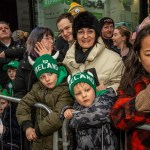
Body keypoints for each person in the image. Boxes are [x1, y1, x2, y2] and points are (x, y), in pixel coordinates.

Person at [16, 54, 73, 150]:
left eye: (50, 73)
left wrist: (37, 131)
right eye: (42, 77)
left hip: (60, 142)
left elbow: (58, 114)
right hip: (38, 142)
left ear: (57, 72)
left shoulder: (65, 89)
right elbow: (23, 104)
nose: (47, 79)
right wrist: (27, 126)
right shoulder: (37, 88)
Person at [13, 26, 56, 150]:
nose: (52, 41)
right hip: (32, 120)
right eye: (47, 38)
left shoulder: (59, 58)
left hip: (53, 120)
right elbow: (19, 93)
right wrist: (27, 124)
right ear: (36, 41)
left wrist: (46, 59)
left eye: (52, 38)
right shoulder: (25, 63)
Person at [63, 11, 124, 93]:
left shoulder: (115, 60)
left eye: (90, 31)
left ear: (96, 34)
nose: (85, 36)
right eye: (81, 32)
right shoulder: (68, 58)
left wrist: (106, 91)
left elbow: (122, 88)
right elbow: (62, 87)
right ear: (75, 35)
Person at [110, 25, 150, 149]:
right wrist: (143, 100)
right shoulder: (133, 81)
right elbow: (117, 117)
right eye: (149, 54)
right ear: (138, 56)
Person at [61, 72, 118, 149]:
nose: (84, 95)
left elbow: (98, 114)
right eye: (78, 93)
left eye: (87, 90)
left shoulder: (104, 98)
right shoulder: (77, 105)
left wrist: (73, 119)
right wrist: (67, 110)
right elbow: (63, 117)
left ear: (94, 89)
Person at [0, 21, 26, 88]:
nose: (3, 29)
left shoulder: (20, 43)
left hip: (22, 85)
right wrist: (16, 59)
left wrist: (6, 54)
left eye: (6, 28)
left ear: (11, 32)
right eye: (0, 29)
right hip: (2, 88)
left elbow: (26, 53)